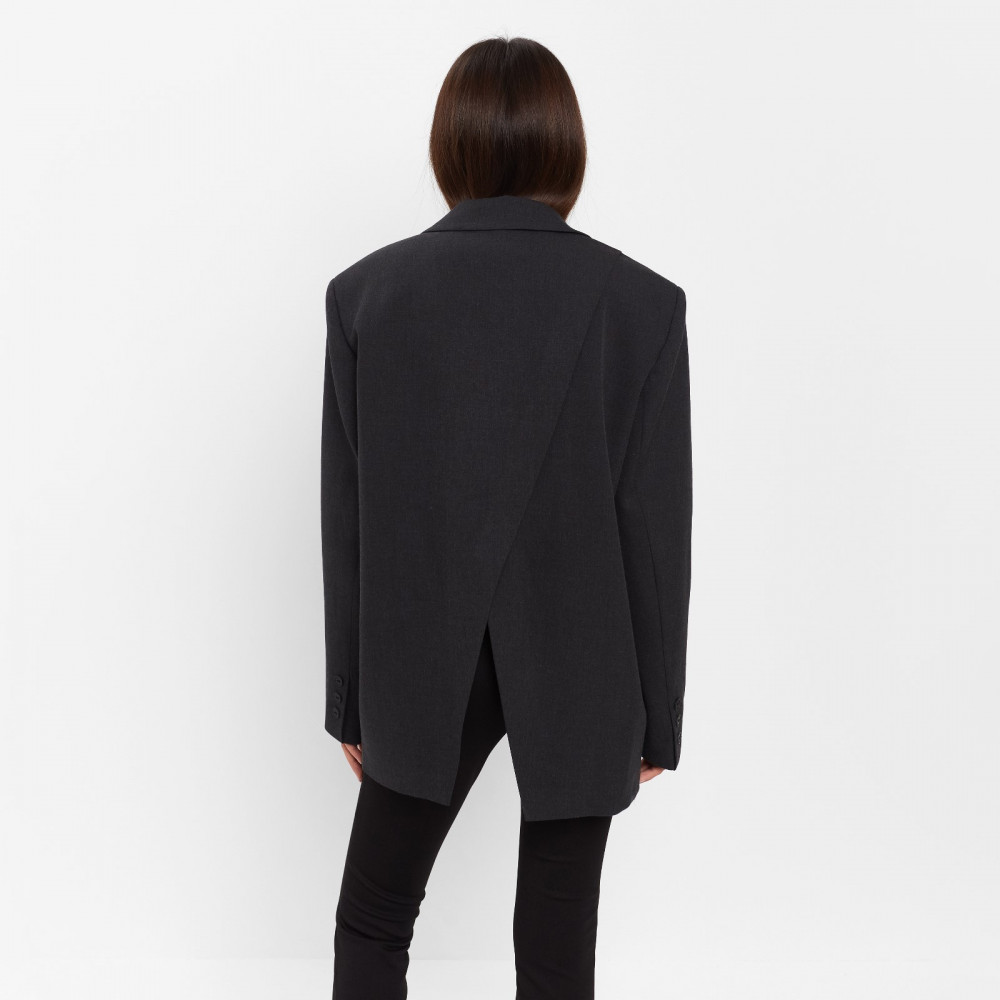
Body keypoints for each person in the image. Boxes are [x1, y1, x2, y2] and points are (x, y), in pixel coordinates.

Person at [321, 35, 692, 1000]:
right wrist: (658, 713)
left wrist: (350, 696)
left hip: (417, 659)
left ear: (451, 144)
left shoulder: (367, 296)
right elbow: (652, 528)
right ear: (566, 145)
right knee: (558, 945)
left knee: (374, 917)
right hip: (585, 655)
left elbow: (349, 513)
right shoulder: (642, 305)